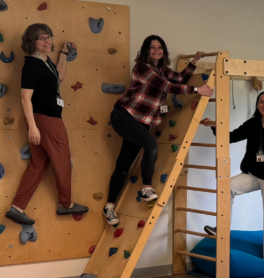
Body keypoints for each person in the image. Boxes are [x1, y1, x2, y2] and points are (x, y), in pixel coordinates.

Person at [103, 36, 212, 226]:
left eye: (159, 47)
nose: (156, 50)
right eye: (152, 47)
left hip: (141, 122)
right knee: (151, 144)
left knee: (124, 164)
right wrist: (197, 89)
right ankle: (146, 188)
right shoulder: (142, 68)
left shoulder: (162, 71)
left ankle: (109, 207)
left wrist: (194, 62)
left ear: (163, 51)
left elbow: (178, 79)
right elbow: (166, 86)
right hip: (124, 116)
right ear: (146, 50)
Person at [5, 24, 88, 225]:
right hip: (46, 119)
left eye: (49, 36)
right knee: (62, 159)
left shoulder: (44, 61)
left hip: (43, 119)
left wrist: (63, 53)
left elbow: (59, 76)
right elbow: (25, 98)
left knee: (39, 164)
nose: (47, 41)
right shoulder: (32, 65)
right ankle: (65, 204)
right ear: (32, 42)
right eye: (42, 38)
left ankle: (17, 207)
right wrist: (33, 127)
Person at [199, 91, 264, 260]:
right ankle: (222, 228)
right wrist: (213, 125)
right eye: (262, 102)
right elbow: (230, 137)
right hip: (253, 174)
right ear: (257, 105)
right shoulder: (253, 123)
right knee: (226, 186)